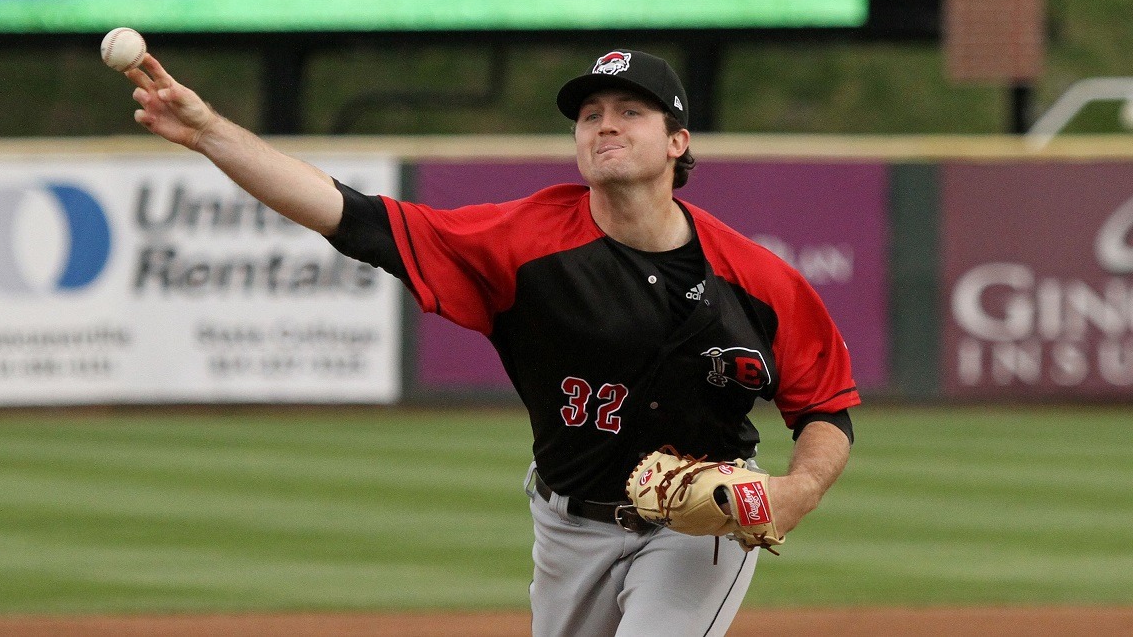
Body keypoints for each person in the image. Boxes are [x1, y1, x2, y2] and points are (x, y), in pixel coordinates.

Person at [125, 47, 858, 636]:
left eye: (630, 112)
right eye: (590, 114)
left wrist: (799, 490)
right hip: (568, 523)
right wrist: (208, 132)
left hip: (698, 527)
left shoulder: (758, 279)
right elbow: (350, 216)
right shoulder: (520, 243)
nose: (604, 125)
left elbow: (825, 404)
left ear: (677, 141)